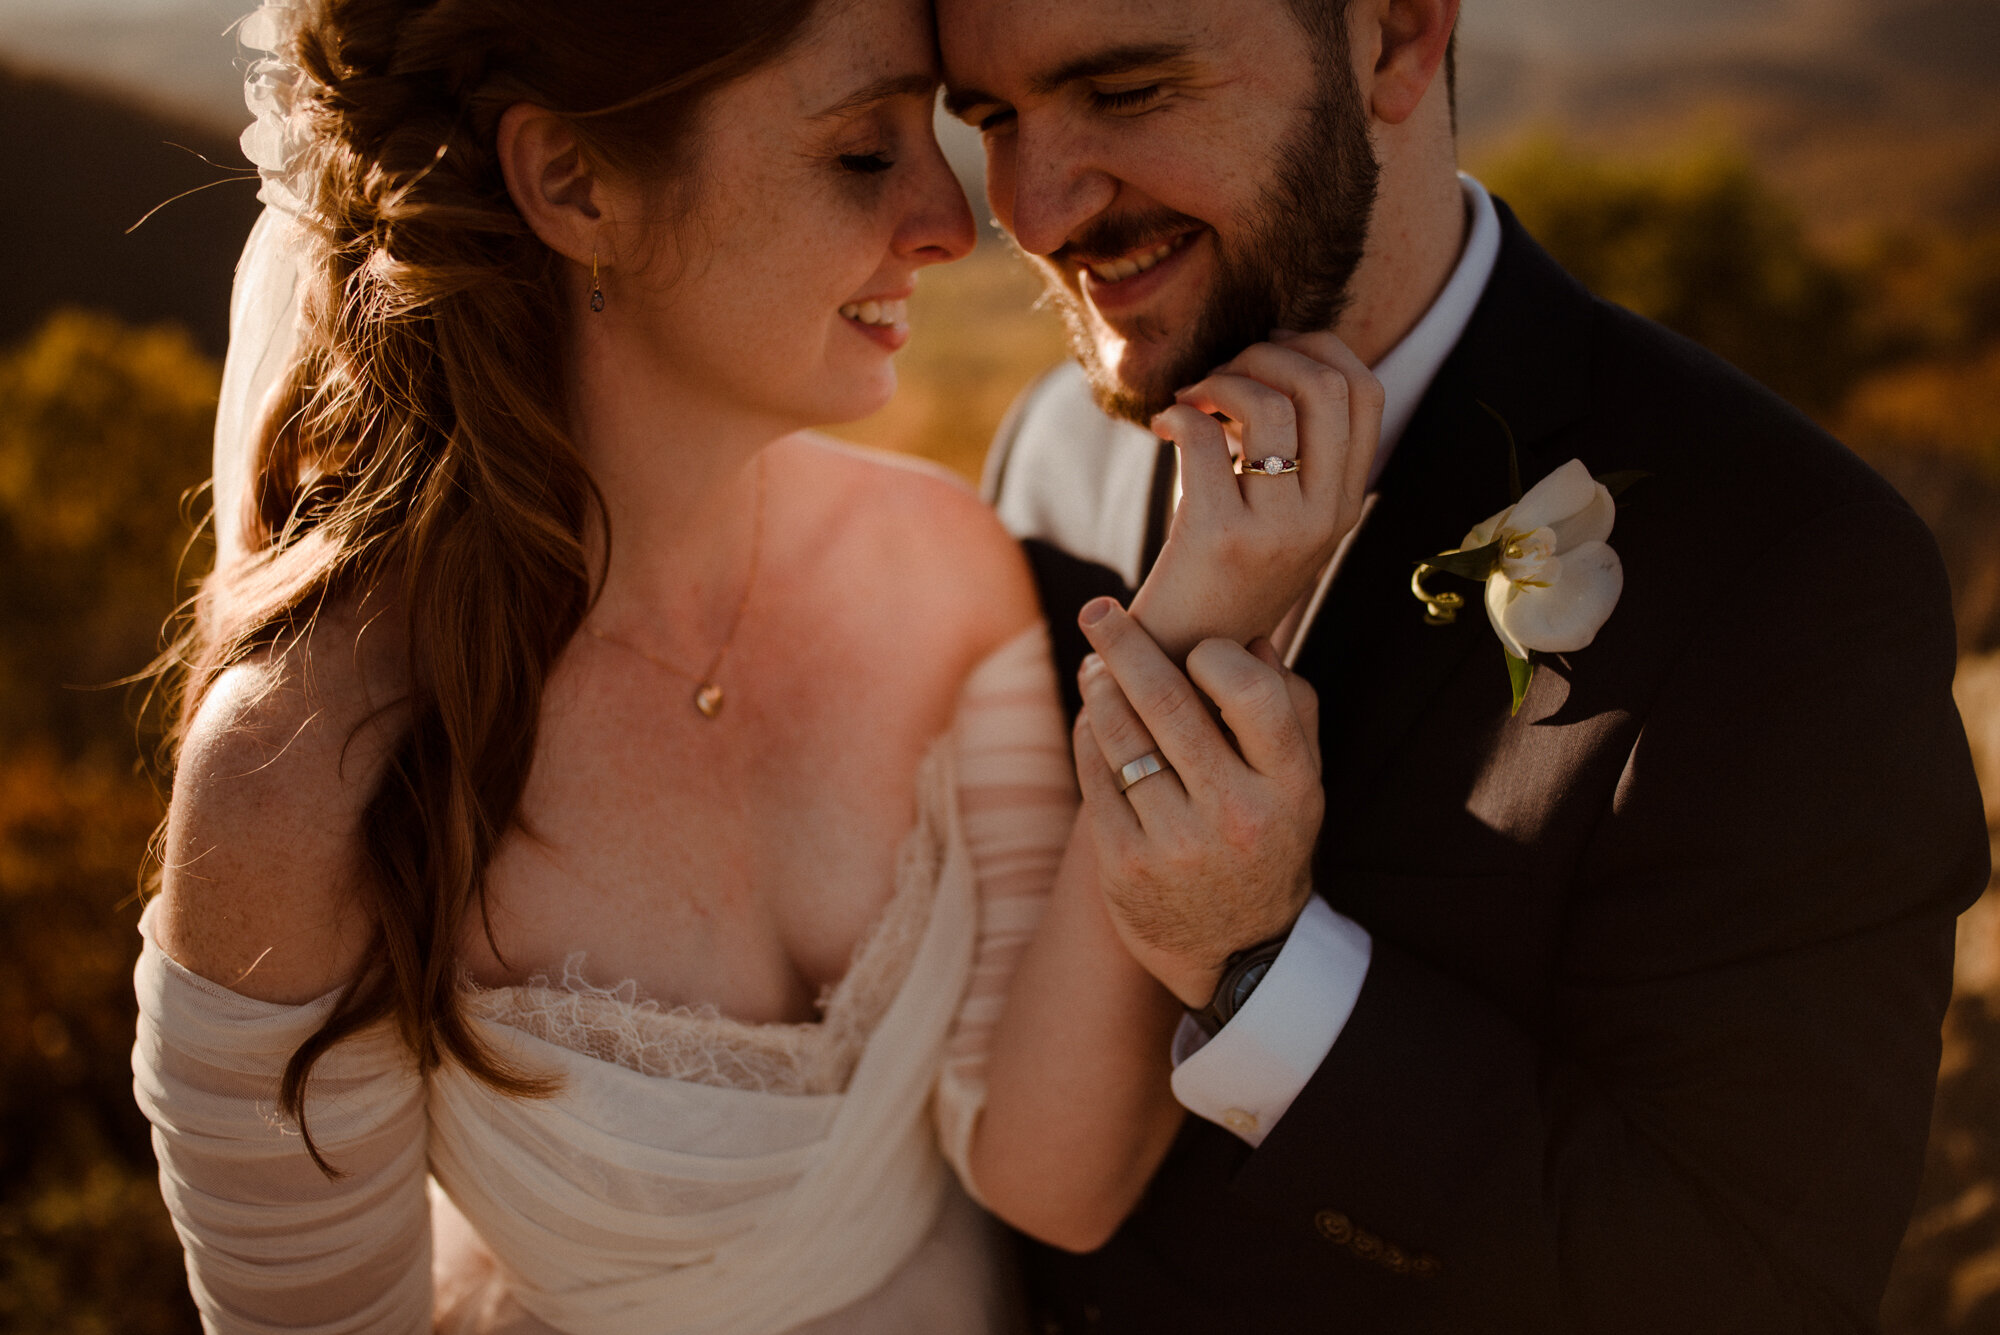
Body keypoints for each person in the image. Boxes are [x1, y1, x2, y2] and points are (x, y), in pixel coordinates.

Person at [132, 0, 1382, 1330]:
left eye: (934, 135)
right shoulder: (304, 777)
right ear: (573, 182)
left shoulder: (939, 561)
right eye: (860, 152)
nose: (957, 224)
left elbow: (1050, 1176)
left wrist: (1203, 609)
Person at [942, 0, 1994, 1329]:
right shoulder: (1051, 455)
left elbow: (1746, 1284)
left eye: (1129, 89)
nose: (1031, 210)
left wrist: (1263, 968)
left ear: (1393, 38)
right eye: (989, 119)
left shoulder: (1791, 570)